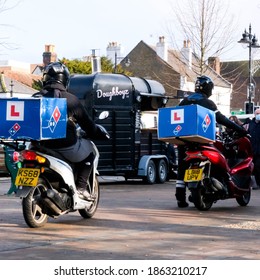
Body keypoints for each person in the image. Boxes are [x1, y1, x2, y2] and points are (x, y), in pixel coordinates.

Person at [33, 62, 106, 200]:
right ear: (65, 80)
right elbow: (87, 125)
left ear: (46, 78)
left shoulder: (36, 97)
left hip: (39, 145)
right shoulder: (71, 100)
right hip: (64, 145)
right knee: (89, 151)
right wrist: (96, 132)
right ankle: (81, 189)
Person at [175, 75, 248, 208]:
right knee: (219, 160)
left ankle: (180, 199)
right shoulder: (207, 103)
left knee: (181, 169)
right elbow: (221, 119)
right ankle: (222, 181)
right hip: (202, 142)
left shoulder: (184, 102)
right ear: (208, 88)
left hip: (184, 142)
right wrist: (240, 129)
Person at [247, 108, 260, 190]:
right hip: (252, 150)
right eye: (257, 113)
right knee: (253, 167)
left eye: (259, 113)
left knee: (258, 166)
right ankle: (255, 184)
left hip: (259, 150)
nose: (258, 115)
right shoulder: (251, 124)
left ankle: (258, 183)